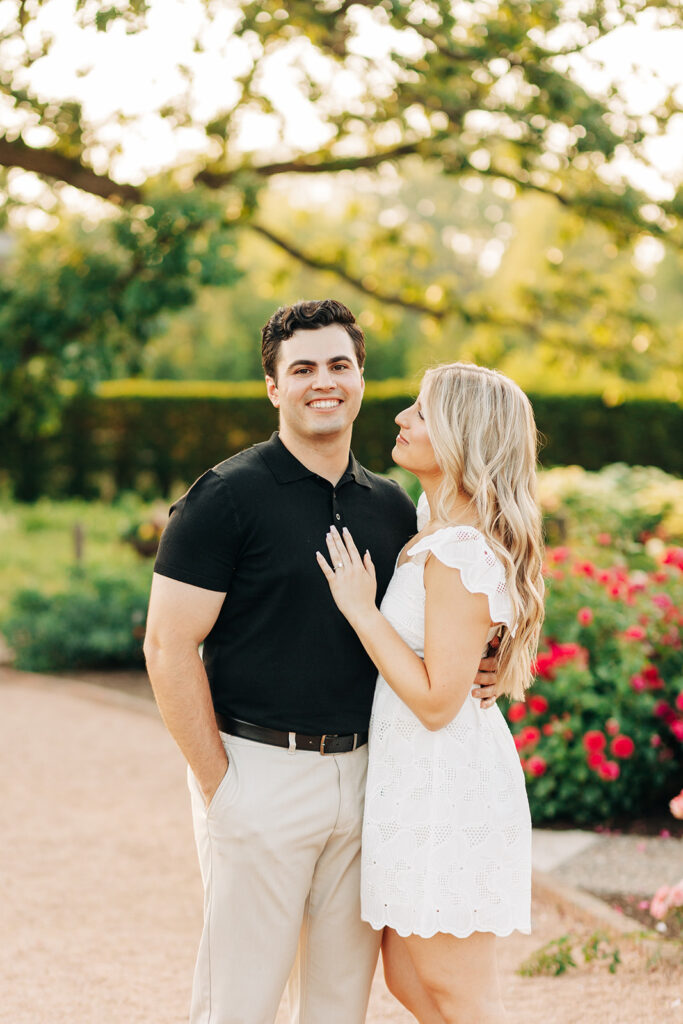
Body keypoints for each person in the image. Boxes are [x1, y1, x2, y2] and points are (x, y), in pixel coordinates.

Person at [143, 300, 499, 1024]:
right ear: (274, 386)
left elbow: (444, 617)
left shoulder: (394, 507)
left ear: (360, 376)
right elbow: (165, 645)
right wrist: (222, 787)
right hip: (258, 772)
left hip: (372, 780)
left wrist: (483, 665)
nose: (322, 382)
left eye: (338, 365)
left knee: (340, 1006)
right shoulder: (225, 498)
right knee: (239, 1004)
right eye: (301, 368)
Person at [317, 362, 544, 1024]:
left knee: (458, 991)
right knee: (411, 981)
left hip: (447, 786)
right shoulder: (434, 525)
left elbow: (438, 701)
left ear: (463, 434)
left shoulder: (458, 551)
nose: (400, 418)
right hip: (417, 780)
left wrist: (362, 610)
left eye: (420, 410)